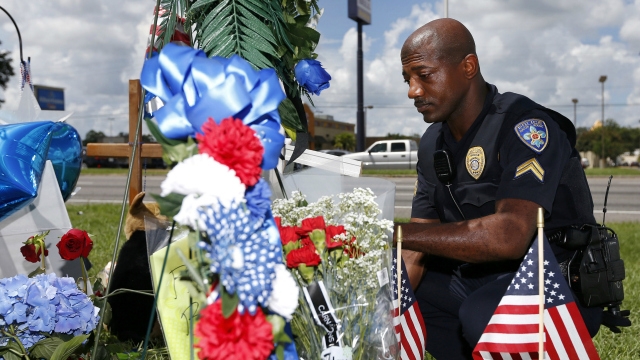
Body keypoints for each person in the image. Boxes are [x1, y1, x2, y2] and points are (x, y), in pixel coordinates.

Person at [397, 18, 605, 359]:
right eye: (407, 80)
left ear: (468, 66)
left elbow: (509, 236)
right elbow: (416, 245)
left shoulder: (526, 126)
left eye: (424, 74)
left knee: (482, 314)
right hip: (479, 277)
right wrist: (384, 303)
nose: (413, 91)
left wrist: (393, 232)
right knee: (405, 297)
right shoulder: (432, 143)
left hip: (556, 279)